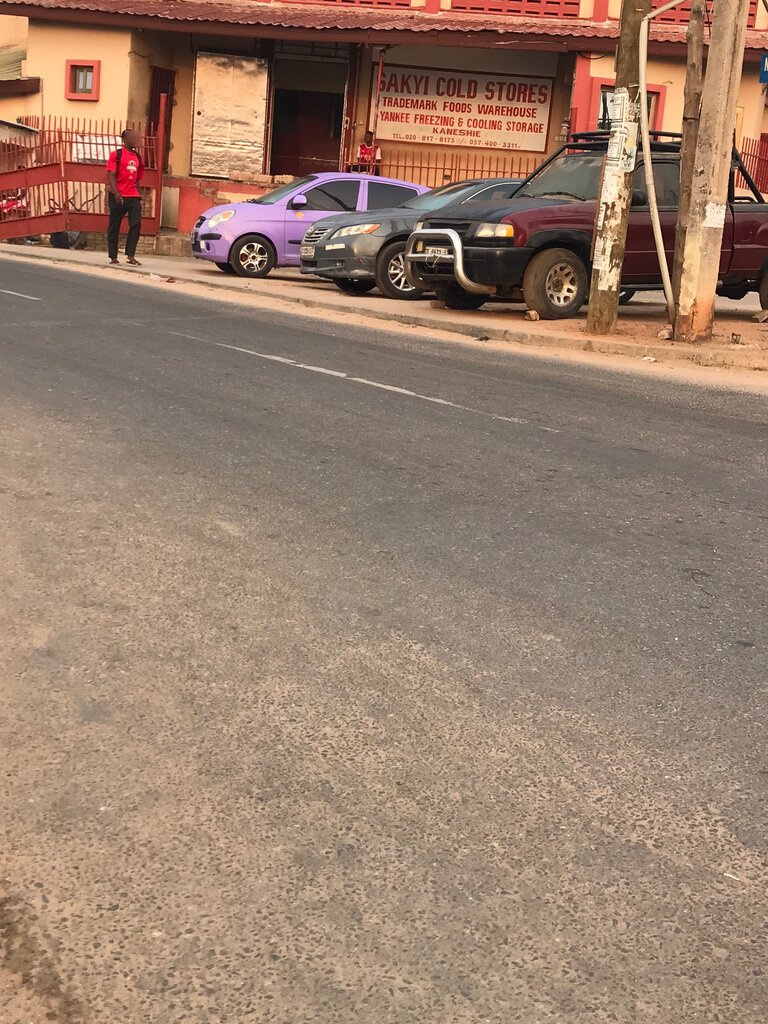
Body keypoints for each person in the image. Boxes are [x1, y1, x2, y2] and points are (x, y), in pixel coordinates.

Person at [106, 128, 144, 266]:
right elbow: (111, 174)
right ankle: (113, 256)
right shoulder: (116, 155)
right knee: (114, 226)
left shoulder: (138, 157)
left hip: (133, 195)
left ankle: (130, 255)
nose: (135, 140)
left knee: (136, 224)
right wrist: (116, 193)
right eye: (132, 137)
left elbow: (137, 177)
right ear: (124, 139)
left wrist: (139, 193)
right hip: (118, 195)